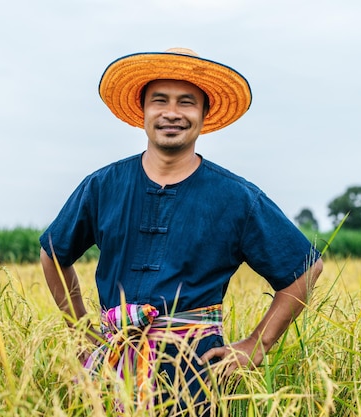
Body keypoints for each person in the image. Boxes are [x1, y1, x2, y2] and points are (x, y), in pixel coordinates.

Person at [39, 47, 324, 413]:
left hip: (197, 375)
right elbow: (53, 253)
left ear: (204, 115)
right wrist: (79, 329)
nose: (172, 113)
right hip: (112, 370)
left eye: (186, 102)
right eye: (160, 100)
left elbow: (304, 268)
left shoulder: (237, 197)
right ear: (143, 111)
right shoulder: (102, 186)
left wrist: (257, 343)